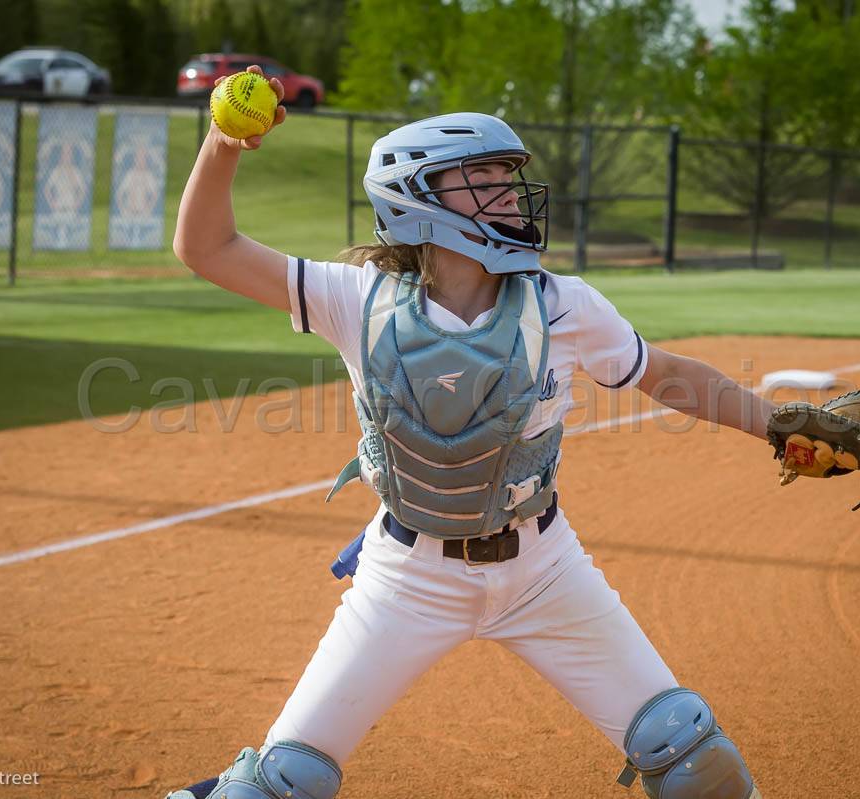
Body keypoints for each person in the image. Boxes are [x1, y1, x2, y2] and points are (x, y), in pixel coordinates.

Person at [167, 66, 773, 799]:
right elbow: (207, 247)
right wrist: (225, 141)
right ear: (418, 197)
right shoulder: (352, 297)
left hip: (545, 568)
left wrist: (781, 424)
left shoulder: (564, 304)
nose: (508, 194)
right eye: (483, 178)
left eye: (506, 177)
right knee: (280, 784)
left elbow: (670, 374)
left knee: (693, 759)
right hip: (408, 578)